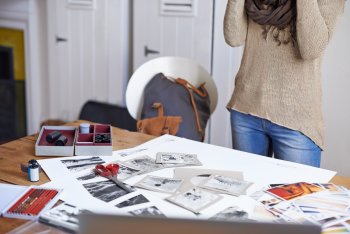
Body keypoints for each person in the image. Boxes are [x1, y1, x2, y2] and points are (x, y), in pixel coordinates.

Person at [224, 0, 345, 167]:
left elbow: (310, 50)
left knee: (299, 193)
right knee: (246, 191)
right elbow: (233, 38)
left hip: (296, 120)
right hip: (246, 109)